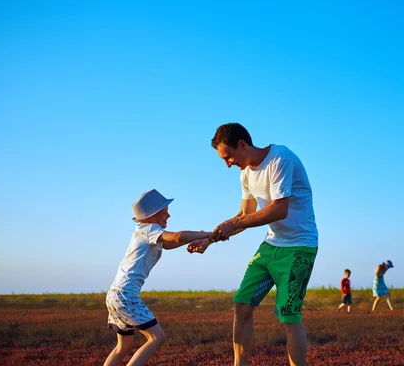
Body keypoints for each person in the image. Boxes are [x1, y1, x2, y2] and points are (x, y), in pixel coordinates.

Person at [188, 123, 318, 366]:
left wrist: (233, 225)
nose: (227, 164)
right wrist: (209, 239)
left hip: (299, 246)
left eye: (228, 157)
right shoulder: (246, 174)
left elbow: (279, 209)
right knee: (241, 303)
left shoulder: (281, 159)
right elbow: (243, 216)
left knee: (289, 316)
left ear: (242, 145)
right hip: (270, 245)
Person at [104, 189, 213, 366]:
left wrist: (196, 237)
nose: (168, 215)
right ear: (150, 216)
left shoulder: (142, 231)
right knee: (157, 337)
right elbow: (177, 236)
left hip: (114, 294)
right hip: (126, 295)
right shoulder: (150, 229)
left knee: (122, 348)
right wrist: (207, 234)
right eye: (164, 212)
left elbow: (169, 244)